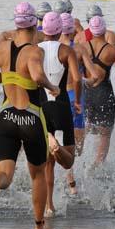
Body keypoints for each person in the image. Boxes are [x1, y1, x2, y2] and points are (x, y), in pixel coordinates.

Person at [0, 2, 59, 229]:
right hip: (31, 117)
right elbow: (36, 75)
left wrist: (8, 78)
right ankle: (38, 225)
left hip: (6, 117)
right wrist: (51, 85)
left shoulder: (1, 47)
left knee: (5, 172)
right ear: (35, 24)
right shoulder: (36, 51)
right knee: (38, 174)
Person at [38, 12, 80, 217]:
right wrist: (78, 101)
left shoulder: (34, 50)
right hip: (62, 105)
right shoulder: (66, 51)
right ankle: (57, 146)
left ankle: (49, 206)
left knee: (47, 164)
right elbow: (77, 79)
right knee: (69, 160)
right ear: (60, 30)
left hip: (41, 107)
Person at [59, 13, 100, 194]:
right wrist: (86, 82)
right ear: (73, 30)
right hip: (75, 95)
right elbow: (95, 75)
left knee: (57, 136)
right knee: (78, 147)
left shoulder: (51, 49)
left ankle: (67, 178)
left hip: (56, 95)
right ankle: (72, 179)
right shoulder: (80, 49)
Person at [82, 16, 115, 165]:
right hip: (104, 93)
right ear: (104, 29)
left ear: (90, 30)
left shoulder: (81, 47)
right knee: (105, 134)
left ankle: (79, 160)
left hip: (85, 92)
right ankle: (97, 165)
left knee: (85, 127)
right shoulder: (113, 50)